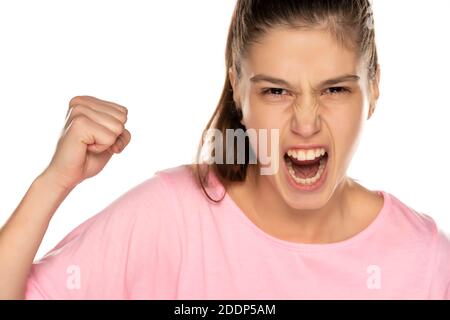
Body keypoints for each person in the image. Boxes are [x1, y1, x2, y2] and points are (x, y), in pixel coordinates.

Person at [1, 0, 449, 300]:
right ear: (238, 87)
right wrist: (52, 183)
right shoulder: (173, 218)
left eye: (334, 89)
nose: (307, 123)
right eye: (276, 91)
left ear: (373, 85)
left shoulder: (426, 260)